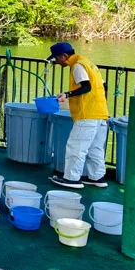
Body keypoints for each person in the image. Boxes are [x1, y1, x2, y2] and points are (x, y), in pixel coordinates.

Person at [47, 41, 109, 190]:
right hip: (100, 113)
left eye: (56, 58)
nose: (56, 62)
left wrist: (68, 94)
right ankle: (97, 177)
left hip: (87, 114)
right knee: (95, 148)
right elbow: (103, 85)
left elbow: (86, 87)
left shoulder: (77, 66)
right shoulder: (88, 63)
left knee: (76, 146)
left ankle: (72, 178)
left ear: (64, 56)